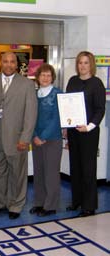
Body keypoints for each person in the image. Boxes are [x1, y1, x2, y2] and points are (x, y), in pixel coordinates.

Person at [0, 52, 37, 219]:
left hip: (17, 139)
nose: (8, 65)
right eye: (5, 61)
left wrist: (25, 138)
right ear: (1, 63)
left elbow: (31, 114)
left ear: (17, 64)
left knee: (18, 173)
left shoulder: (26, 85)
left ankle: (16, 204)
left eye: (12, 62)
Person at [65, 51, 106, 217]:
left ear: (91, 65)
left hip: (89, 133)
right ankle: (77, 201)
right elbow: (67, 105)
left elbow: (100, 109)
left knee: (88, 169)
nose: (82, 66)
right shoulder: (72, 81)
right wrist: (67, 129)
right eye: (80, 63)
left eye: (86, 63)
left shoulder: (96, 84)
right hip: (74, 131)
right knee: (75, 167)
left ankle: (89, 206)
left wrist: (89, 126)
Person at [29, 64, 62, 217]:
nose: (45, 78)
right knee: (39, 172)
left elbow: (57, 118)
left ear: (52, 77)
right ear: (38, 77)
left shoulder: (58, 94)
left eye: (48, 75)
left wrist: (43, 137)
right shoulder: (34, 94)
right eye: (42, 75)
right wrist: (34, 135)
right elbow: (30, 118)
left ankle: (50, 206)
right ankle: (39, 202)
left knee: (51, 173)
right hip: (35, 140)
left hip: (52, 139)